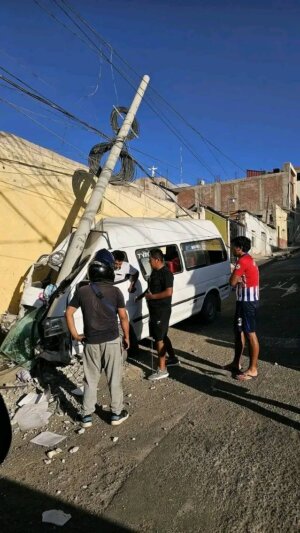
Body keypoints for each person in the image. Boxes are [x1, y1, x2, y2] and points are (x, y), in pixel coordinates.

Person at [65, 249, 130, 428]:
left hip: (90, 342)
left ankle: (86, 416)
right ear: (109, 271)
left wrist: (75, 334)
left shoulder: (82, 291)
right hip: (111, 340)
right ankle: (116, 413)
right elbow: (123, 318)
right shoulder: (116, 292)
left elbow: (68, 313)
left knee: (90, 380)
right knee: (114, 378)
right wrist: (127, 337)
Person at [137, 248, 179, 381]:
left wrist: (152, 297)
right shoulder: (154, 272)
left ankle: (162, 369)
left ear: (157, 260)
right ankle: (173, 358)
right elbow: (150, 289)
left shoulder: (166, 273)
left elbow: (168, 292)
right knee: (162, 335)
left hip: (162, 310)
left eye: (150, 260)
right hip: (154, 309)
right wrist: (141, 296)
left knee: (159, 339)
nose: (149, 262)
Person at [225, 236, 260, 381]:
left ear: (239, 247)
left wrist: (235, 276)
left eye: (233, 246)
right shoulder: (247, 259)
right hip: (243, 301)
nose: (232, 248)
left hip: (247, 302)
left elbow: (232, 282)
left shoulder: (242, 261)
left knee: (250, 333)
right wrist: (237, 277)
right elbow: (237, 279)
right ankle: (235, 363)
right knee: (238, 331)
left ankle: (253, 369)